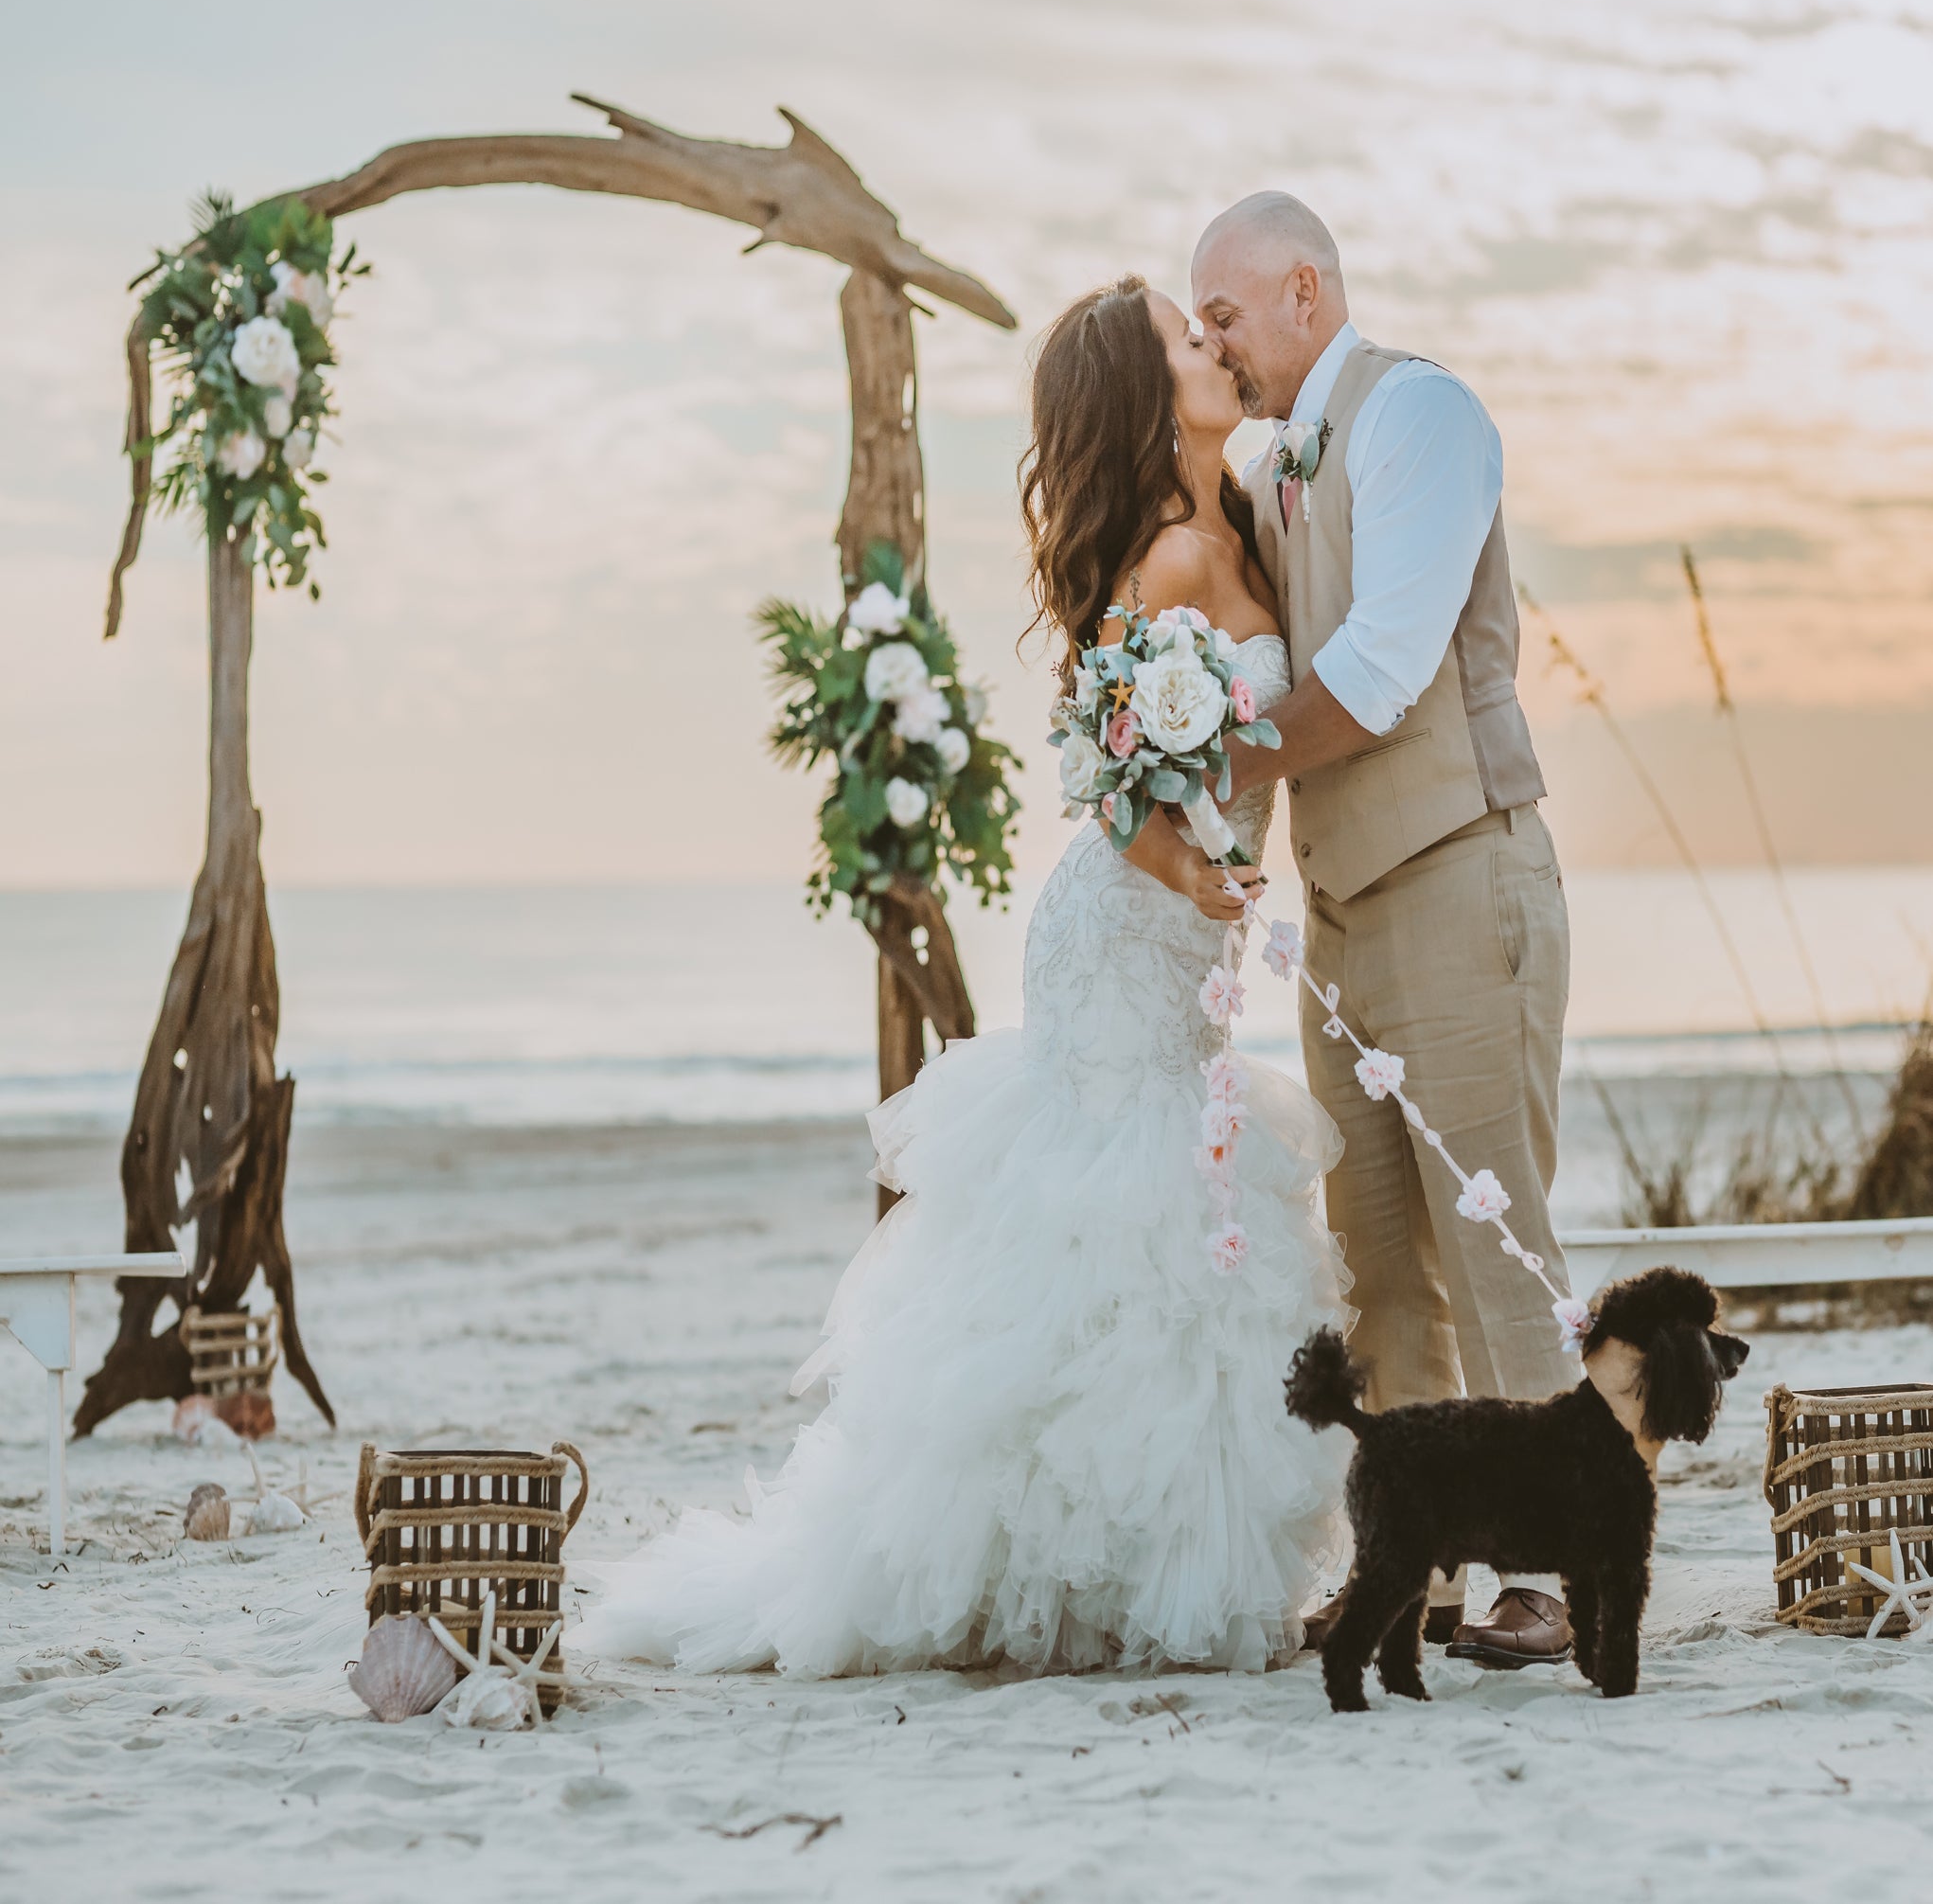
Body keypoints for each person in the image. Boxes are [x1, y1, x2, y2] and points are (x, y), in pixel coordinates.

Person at [573, 276, 1350, 1678]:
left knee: (1182, 1215)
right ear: (1141, 393)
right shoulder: (1165, 555)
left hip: (1188, 938)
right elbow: (1116, 780)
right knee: (1122, 1216)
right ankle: (1077, 1569)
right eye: (1189, 340)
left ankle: (1149, 1558)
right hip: (1124, 929)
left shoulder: (1237, 515)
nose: (1216, 350)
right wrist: (1194, 877)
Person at [1191, 192, 1579, 1667]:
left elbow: (1379, 669)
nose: (1210, 343)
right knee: (1377, 1264)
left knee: (1493, 1236)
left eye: (1220, 312)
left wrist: (1210, 763)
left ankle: (1543, 1573)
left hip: (1459, 872)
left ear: (1302, 289)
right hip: (1342, 911)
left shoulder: (1421, 417)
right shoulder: (1274, 464)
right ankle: (1410, 1571)